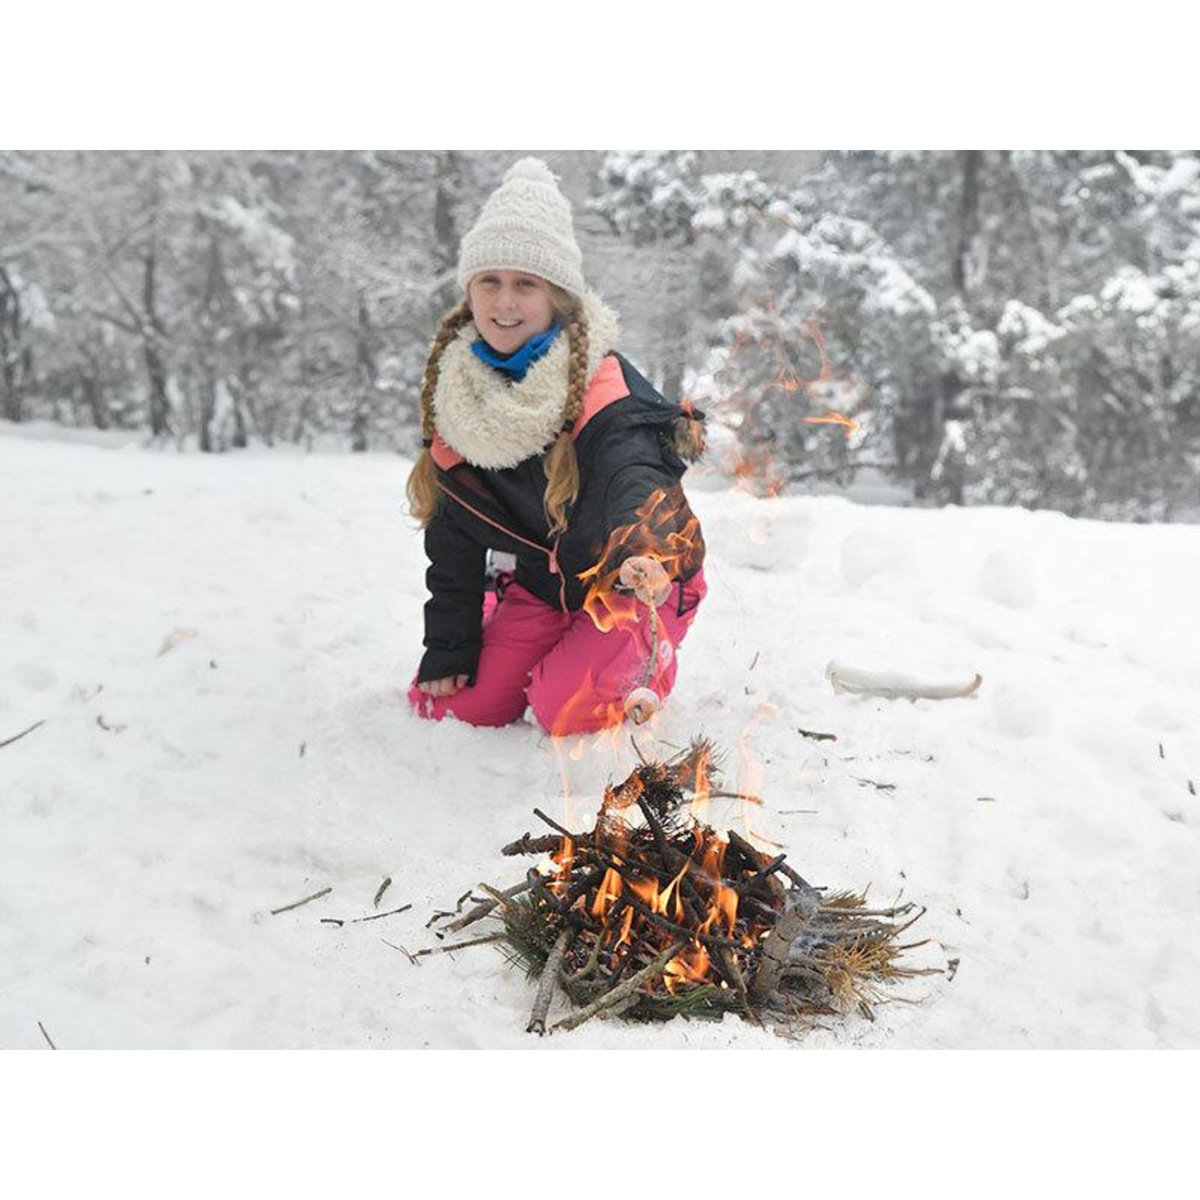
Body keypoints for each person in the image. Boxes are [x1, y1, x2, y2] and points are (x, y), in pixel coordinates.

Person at [405, 157, 707, 735]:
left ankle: (650, 653)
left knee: (562, 710)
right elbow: (454, 534)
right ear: (469, 291)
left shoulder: (601, 384)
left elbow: (635, 476)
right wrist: (450, 643)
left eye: (526, 283)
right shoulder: (458, 395)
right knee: (453, 708)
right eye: (489, 281)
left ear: (557, 297)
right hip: (545, 587)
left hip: (636, 578)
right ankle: (518, 628)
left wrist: (644, 552)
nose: (504, 302)